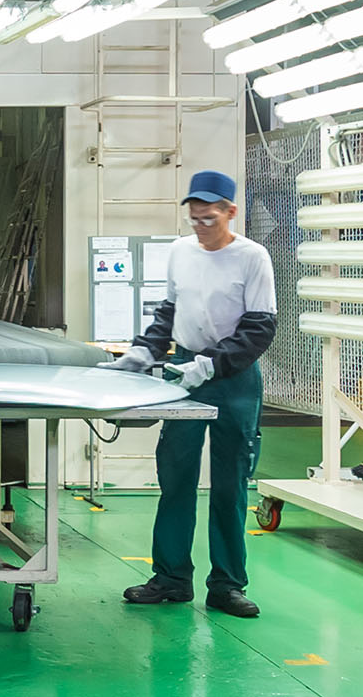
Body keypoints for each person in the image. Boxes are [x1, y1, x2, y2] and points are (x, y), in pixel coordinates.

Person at [100, 171, 277, 618]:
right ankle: (171, 577)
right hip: (184, 372)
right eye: (194, 216)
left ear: (230, 212)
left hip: (233, 381)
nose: (200, 224)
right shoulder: (180, 252)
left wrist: (209, 365)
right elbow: (170, 310)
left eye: (209, 217)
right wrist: (144, 351)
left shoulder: (253, 258)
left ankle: (227, 585)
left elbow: (259, 328)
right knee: (176, 476)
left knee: (229, 483)